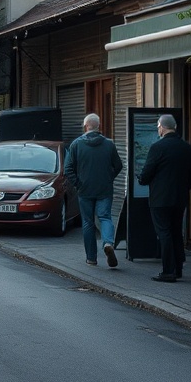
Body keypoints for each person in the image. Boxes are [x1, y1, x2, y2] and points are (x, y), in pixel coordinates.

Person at [138, 114, 191, 283]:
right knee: (176, 231)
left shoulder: (158, 147)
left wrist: (142, 179)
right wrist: (184, 187)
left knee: (164, 232)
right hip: (180, 198)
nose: (158, 129)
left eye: (158, 126)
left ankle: (168, 271)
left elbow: (147, 171)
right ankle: (178, 268)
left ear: (162, 127)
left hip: (160, 198)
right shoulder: (188, 148)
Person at [64, 113, 123, 268]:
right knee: (105, 217)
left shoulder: (76, 144)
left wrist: (78, 184)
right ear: (99, 126)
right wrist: (109, 178)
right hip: (104, 189)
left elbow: (68, 169)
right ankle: (108, 243)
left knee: (88, 223)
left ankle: (91, 258)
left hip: (85, 190)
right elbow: (118, 165)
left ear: (85, 127)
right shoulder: (109, 144)